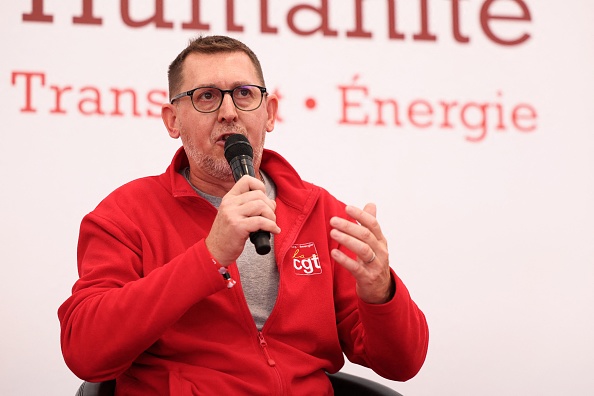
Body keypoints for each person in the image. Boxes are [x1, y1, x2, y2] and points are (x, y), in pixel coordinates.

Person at [58, 35, 429, 395]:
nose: (229, 112)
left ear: (269, 114)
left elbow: (403, 364)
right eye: (206, 96)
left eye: (244, 94)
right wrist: (209, 256)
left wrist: (381, 292)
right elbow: (86, 352)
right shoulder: (126, 214)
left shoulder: (320, 212)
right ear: (173, 121)